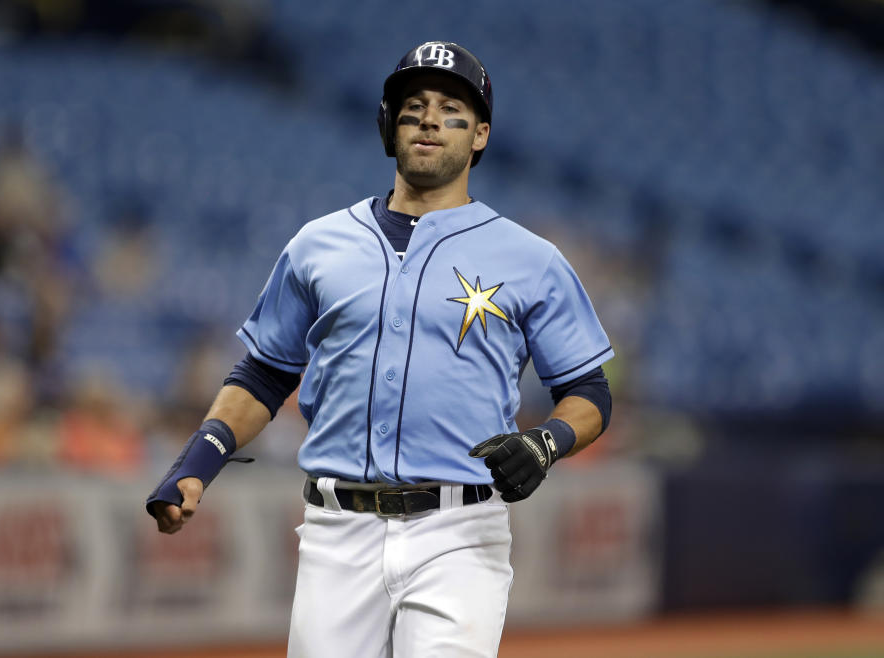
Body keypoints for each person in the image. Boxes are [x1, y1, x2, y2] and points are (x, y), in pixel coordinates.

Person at [146, 41, 614, 658]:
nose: (428, 118)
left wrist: (544, 442)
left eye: (452, 108)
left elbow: (590, 392)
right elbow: (263, 374)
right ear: (387, 126)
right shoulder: (319, 245)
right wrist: (198, 461)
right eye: (412, 105)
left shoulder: (531, 259)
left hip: (460, 530)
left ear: (479, 136)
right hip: (337, 531)